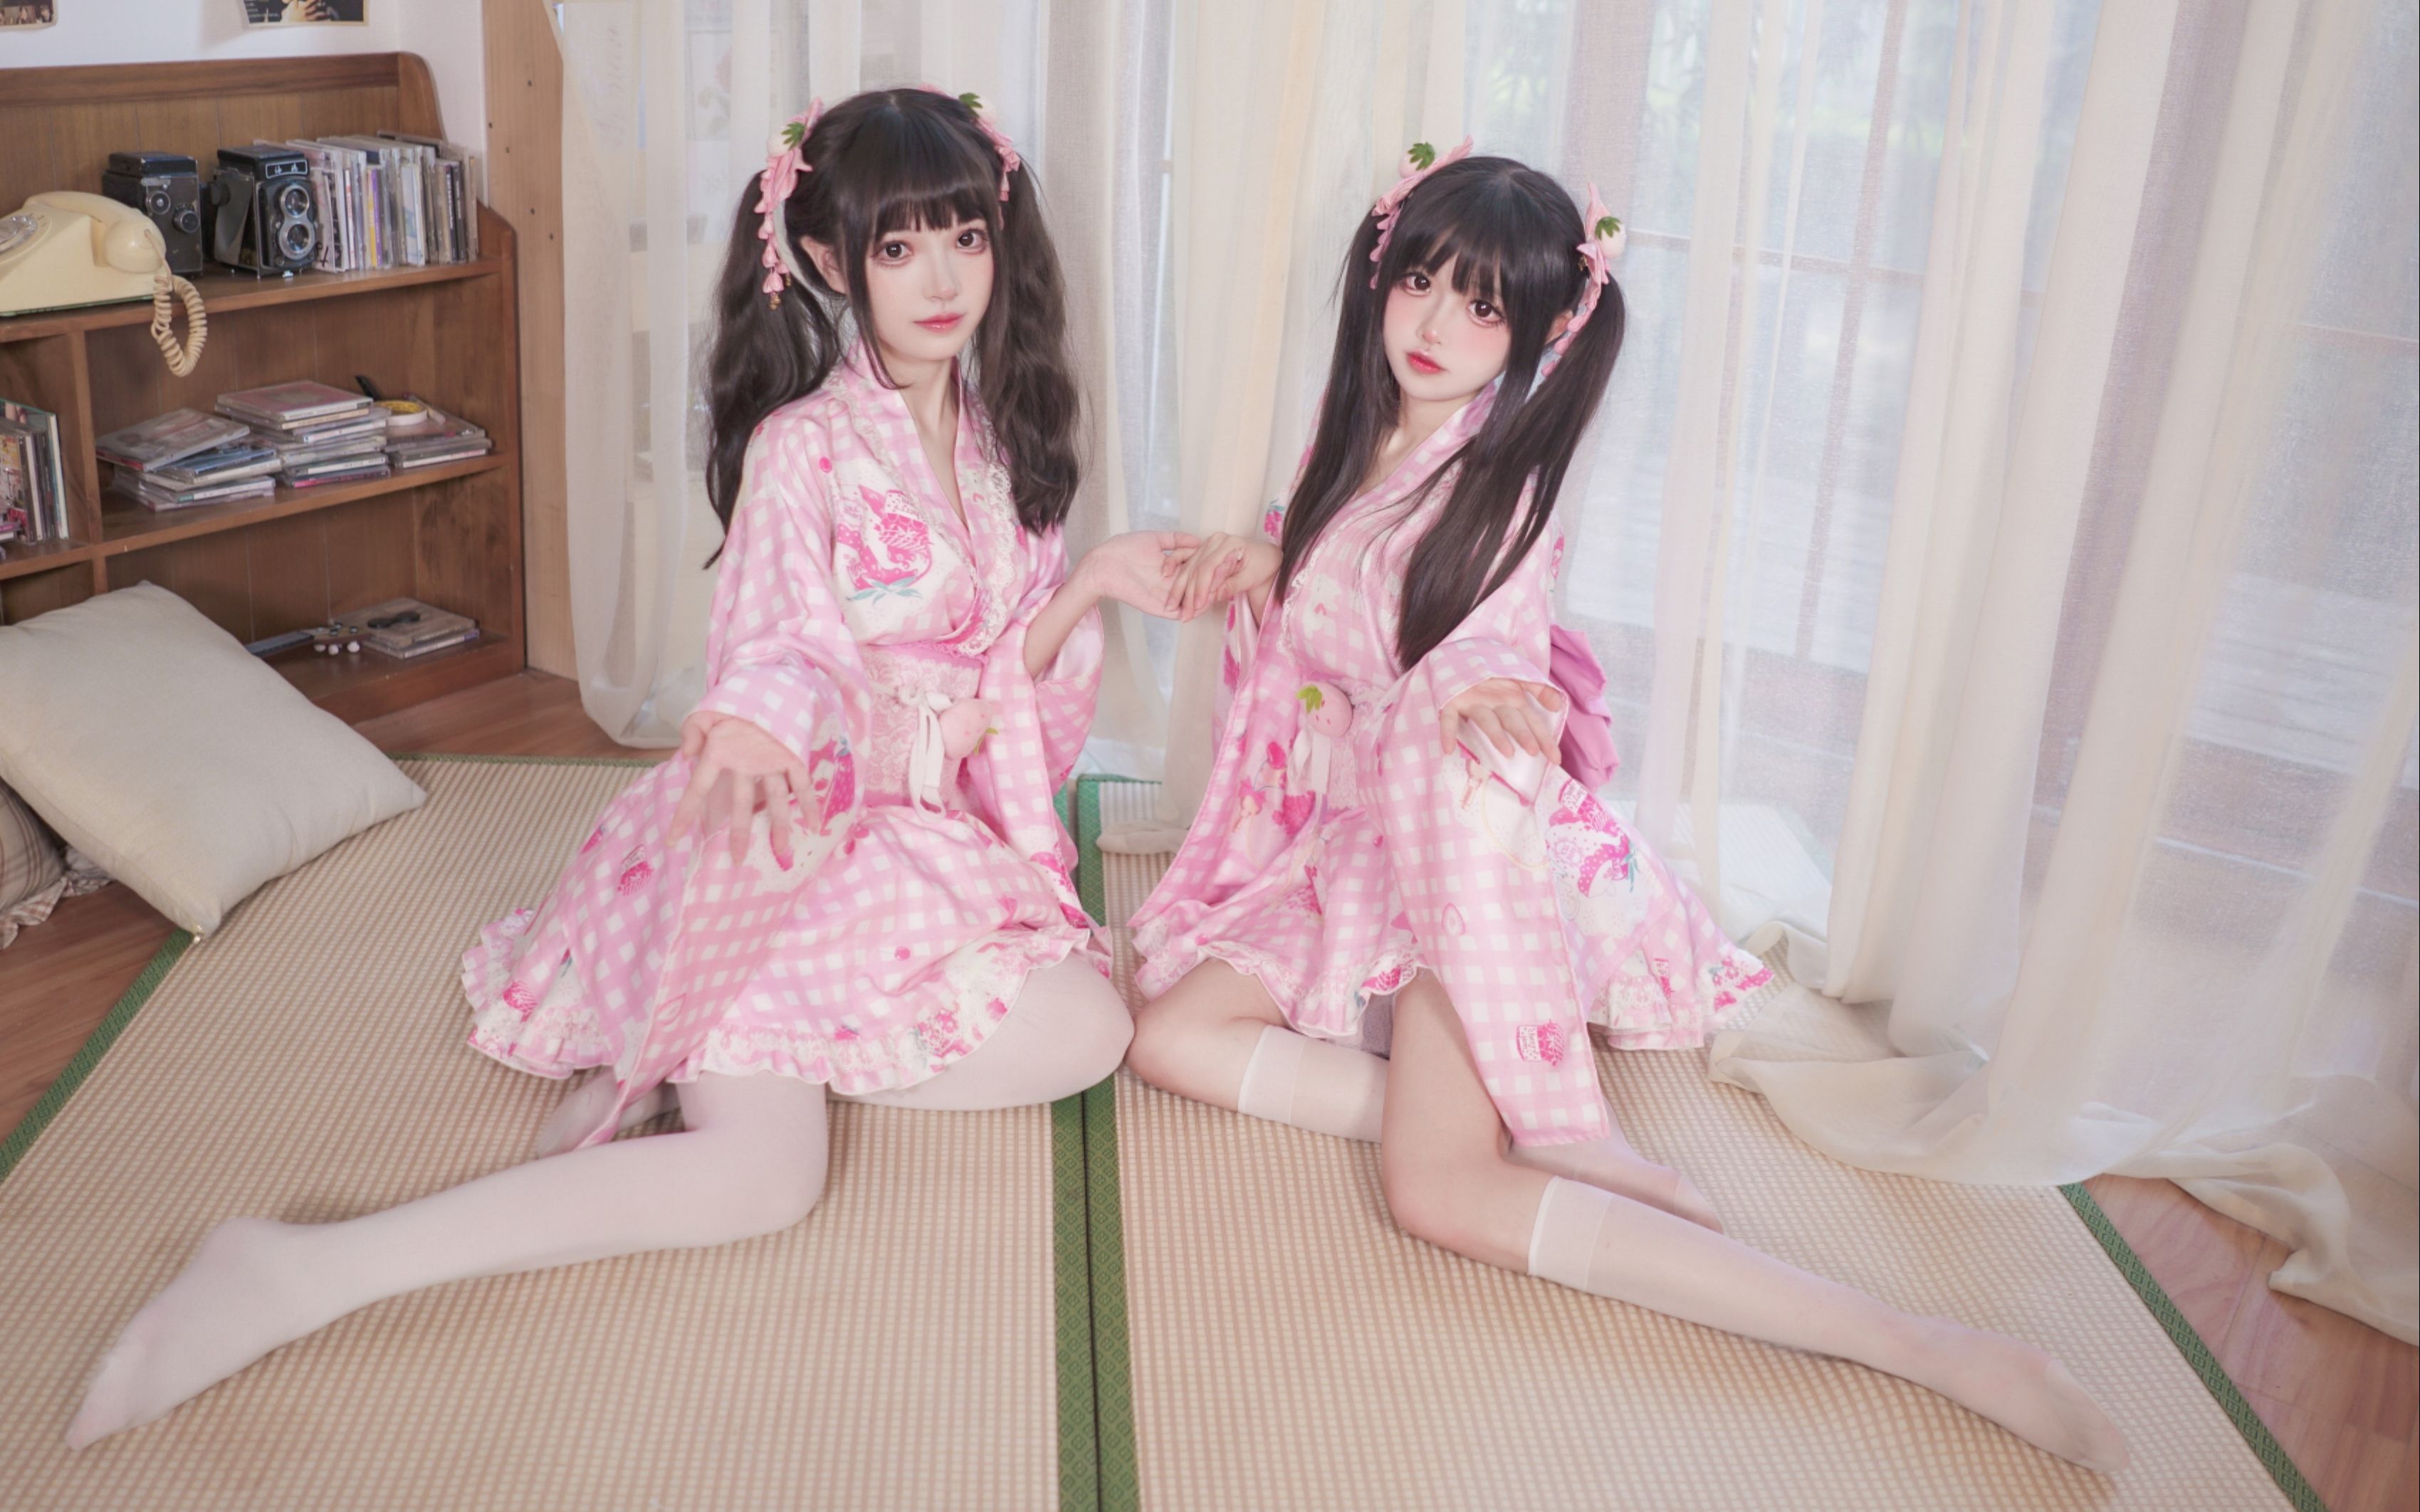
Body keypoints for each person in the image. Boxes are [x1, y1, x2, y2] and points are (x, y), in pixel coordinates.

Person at [68, 86, 1185, 1449]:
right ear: (828, 260)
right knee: (763, 1182)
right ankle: (303, 1270)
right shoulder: (804, 446)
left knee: (1088, 1030)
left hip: (924, 835)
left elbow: (1004, 669)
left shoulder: (1009, 440)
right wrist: (762, 727)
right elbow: (782, 644)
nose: (942, 279)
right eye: (899, 248)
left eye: (965, 238)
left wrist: (1096, 586)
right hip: (793, 816)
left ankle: (688, 1047)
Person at [1123, 142, 2127, 1474]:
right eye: (1421, 281)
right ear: (1380, 277)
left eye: (1484, 306)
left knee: (1439, 1194)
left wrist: (1478, 692)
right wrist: (1275, 557)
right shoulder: (1349, 442)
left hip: (1465, 865)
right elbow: (1342, 599)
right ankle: (1479, 1106)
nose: (1436, 324)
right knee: (1170, 1037)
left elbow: (1489, 648)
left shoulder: (1504, 493)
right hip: (1363, 843)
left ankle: (1924, 1346)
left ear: (1542, 333)